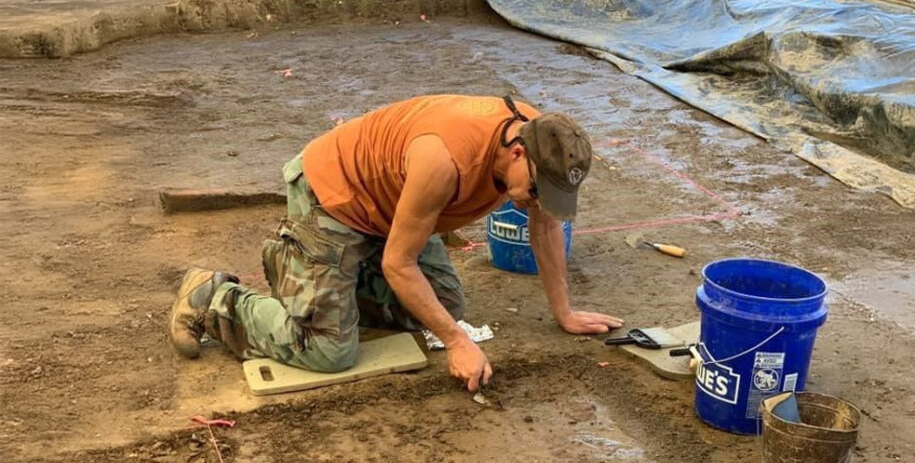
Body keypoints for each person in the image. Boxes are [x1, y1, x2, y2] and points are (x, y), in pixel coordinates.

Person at [168, 94, 624, 392]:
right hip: (335, 194)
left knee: (444, 302)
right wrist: (457, 341)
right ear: (518, 153)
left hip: (393, 206)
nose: (538, 203)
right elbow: (400, 264)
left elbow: (544, 226)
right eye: (538, 191)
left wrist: (564, 312)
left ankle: (339, 285)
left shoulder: (543, 142)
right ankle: (216, 298)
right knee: (330, 351)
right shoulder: (445, 159)